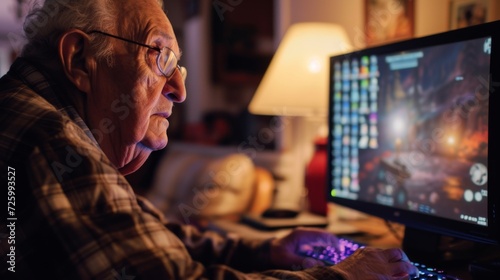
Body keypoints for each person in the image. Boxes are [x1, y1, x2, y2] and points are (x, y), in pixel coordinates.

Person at [0, 0, 419, 279]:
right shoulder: (49, 139)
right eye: (160, 56)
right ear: (79, 59)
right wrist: (343, 275)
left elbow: (143, 237)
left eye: (179, 66)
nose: (180, 89)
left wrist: (269, 251)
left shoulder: (35, 114)